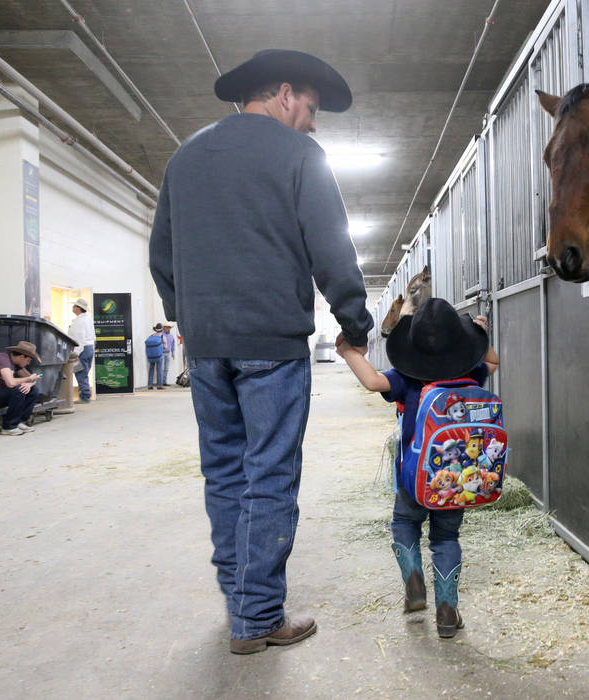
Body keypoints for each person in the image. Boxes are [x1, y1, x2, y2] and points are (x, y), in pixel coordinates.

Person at [149, 49, 372, 654]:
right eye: (312, 107)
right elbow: (331, 247)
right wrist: (356, 319)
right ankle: (257, 617)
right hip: (271, 344)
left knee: (223, 470)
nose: (315, 123)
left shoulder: (185, 156)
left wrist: (190, 317)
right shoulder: (300, 156)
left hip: (207, 345)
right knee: (270, 474)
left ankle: (239, 598)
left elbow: (161, 255)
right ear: (283, 92)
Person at [336, 297, 499, 639]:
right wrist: (482, 335)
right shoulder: (471, 372)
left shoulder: (406, 377)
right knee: (446, 537)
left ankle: (414, 584)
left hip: (414, 478)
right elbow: (493, 362)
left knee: (404, 522)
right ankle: (447, 611)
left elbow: (372, 382)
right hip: (456, 482)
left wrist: (349, 352)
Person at [0, 340, 42, 436]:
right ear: (22, 357)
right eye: (28, 360)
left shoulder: (16, 363)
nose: (28, 363)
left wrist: (29, 384)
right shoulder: (3, 359)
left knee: (34, 390)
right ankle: (9, 427)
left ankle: (19, 422)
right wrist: (29, 379)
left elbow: (32, 380)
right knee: (18, 390)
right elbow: (10, 383)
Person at [68, 297, 95, 403]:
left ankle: (85, 396)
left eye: (74, 306)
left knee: (80, 373)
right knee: (84, 372)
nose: (73, 307)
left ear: (78, 308)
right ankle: (84, 394)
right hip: (89, 348)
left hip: (82, 349)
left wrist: (76, 353)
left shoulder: (79, 322)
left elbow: (79, 338)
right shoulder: (88, 319)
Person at [145, 323, 165, 390]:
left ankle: (150, 385)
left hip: (151, 356)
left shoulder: (151, 336)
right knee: (159, 370)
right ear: (162, 329)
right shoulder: (162, 336)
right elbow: (165, 346)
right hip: (159, 355)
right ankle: (159, 385)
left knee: (151, 369)